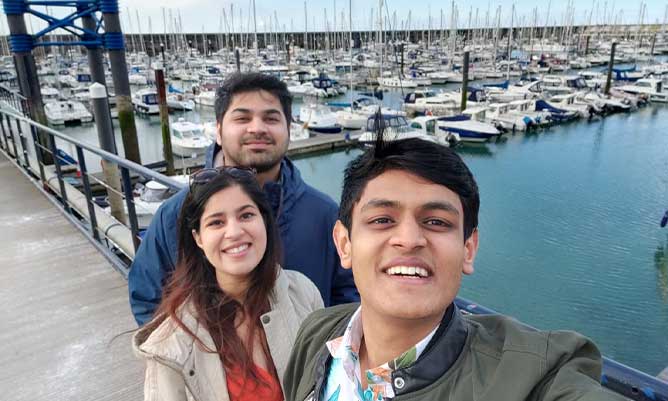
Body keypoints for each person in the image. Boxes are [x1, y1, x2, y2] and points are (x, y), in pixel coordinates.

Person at [283, 134, 628, 401]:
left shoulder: (530, 373)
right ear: (345, 244)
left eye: (435, 221)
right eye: (382, 219)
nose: (409, 239)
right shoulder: (318, 333)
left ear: (468, 248)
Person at [129, 73, 358, 326]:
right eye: (242, 118)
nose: (257, 128)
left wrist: (323, 356)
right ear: (218, 130)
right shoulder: (174, 215)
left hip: (304, 363)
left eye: (271, 118)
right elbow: (148, 297)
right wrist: (192, 357)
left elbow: (349, 295)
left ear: (289, 130)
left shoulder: (325, 215)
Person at [133, 168, 323, 400]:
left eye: (246, 216)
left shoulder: (303, 292)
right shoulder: (171, 345)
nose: (234, 232)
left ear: (264, 221)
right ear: (198, 238)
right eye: (216, 222)